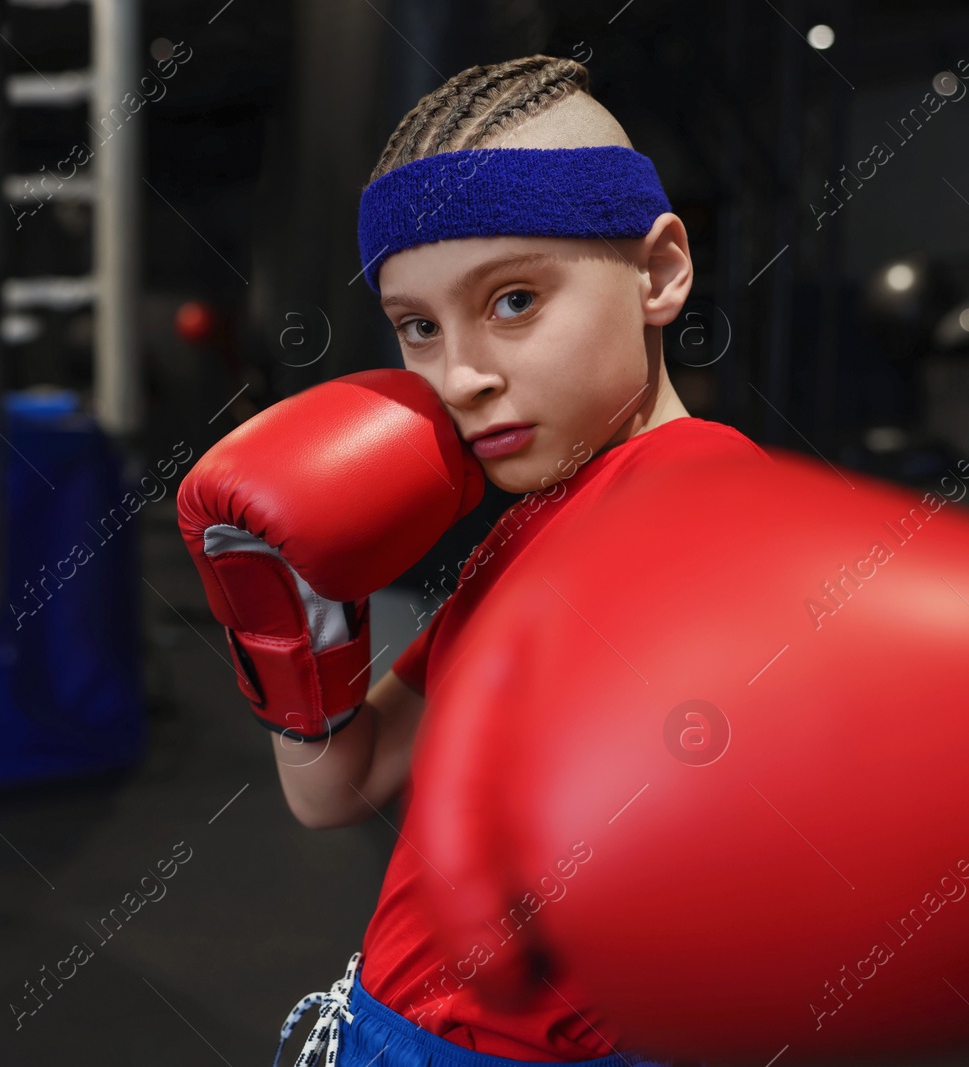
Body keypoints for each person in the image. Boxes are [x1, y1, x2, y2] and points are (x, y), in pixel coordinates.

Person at [182, 53, 733, 1066]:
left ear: (657, 273)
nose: (461, 375)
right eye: (418, 328)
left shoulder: (697, 497)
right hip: (390, 1024)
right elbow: (333, 788)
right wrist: (295, 616)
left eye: (514, 300)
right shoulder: (533, 527)